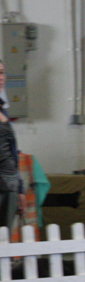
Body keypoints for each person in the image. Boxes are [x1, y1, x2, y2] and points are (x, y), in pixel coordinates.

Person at [0, 58, 26, 230]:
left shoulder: (3, 110)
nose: (0, 77)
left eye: (2, 72)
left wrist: (20, 188)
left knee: (3, 241)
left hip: (8, 183)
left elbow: (11, 152)